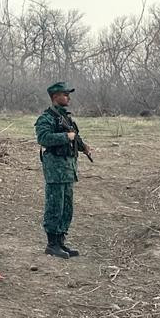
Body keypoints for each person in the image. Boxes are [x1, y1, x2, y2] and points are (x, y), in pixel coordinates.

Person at [35, 82, 94, 259]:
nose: (68, 97)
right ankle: (52, 244)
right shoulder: (47, 118)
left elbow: (74, 137)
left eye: (68, 94)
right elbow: (43, 138)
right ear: (55, 97)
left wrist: (84, 147)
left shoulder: (66, 118)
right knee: (55, 206)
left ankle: (60, 241)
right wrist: (64, 136)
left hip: (68, 169)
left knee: (66, 207)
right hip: (55, 170)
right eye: (64, 94)